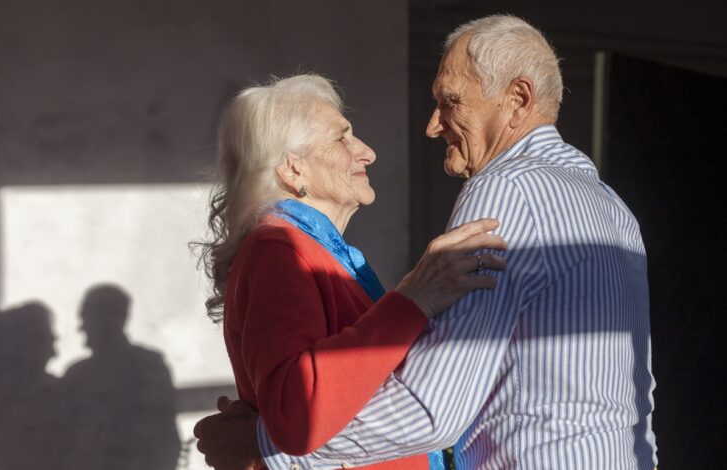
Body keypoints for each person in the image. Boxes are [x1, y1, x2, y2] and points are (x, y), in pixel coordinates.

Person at [193, 14, 658, 470]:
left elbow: (433, 408)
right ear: (292, 169)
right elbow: (640, 395)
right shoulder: (612, 206)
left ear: (518, 98)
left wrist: (263, 447)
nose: (433, 126)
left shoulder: (505, 189)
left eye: (450, 101)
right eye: (342, 138)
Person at [192, 74, 508, 469]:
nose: (367, 152)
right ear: (293, 169)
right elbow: (300, 412)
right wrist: (413, 300)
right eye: (342, 138)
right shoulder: (278, 250)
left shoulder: (316, 250)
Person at [61, 284, 181, 470]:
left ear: (111, 320)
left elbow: (164, 437)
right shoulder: (76, 375)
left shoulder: (149, 367)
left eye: (87, 318)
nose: (81, 327)